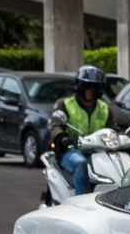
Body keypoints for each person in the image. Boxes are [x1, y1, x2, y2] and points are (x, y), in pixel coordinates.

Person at [49, 65, 120, 196]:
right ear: (78, 86)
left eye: (94, 87)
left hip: (99, 152)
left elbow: (114, 130)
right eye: (86, 87)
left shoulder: (105, 108)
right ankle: (82, 201)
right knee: (80, 162)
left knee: (118, 164)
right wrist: (63, 138)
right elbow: (56, 126)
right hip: (72, 151)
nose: (89, 91)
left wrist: (125, 137)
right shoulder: (64, 104)